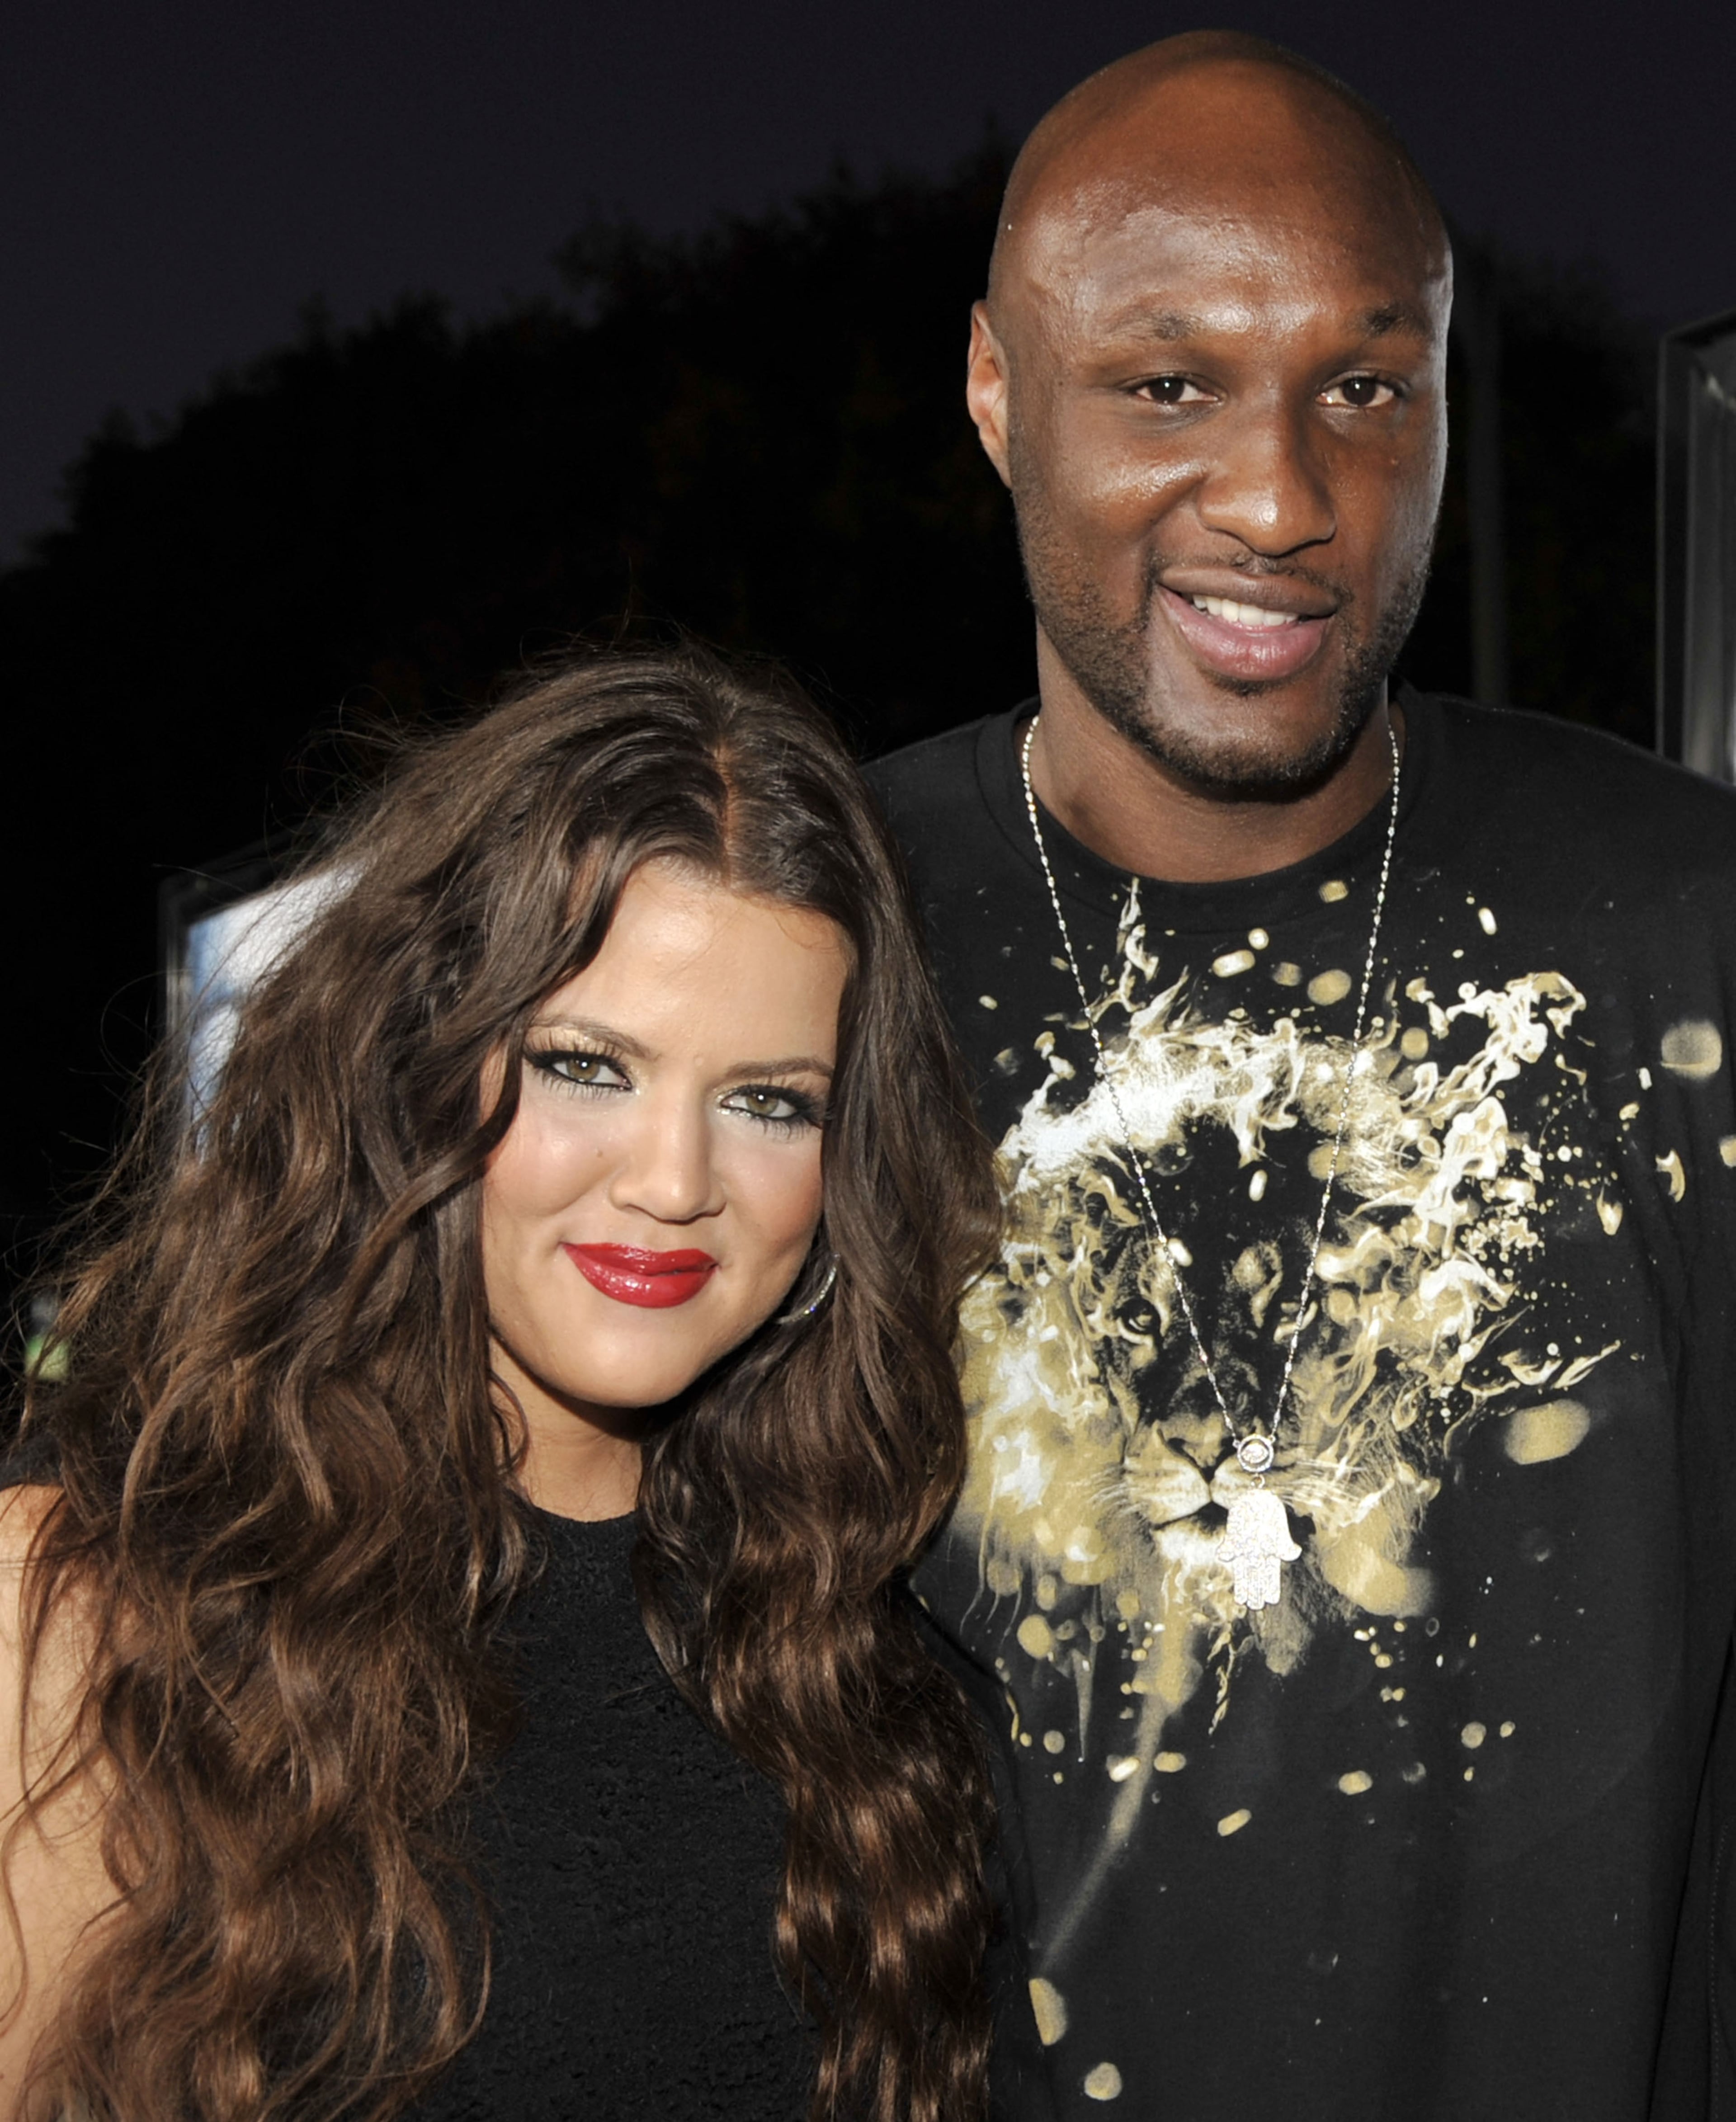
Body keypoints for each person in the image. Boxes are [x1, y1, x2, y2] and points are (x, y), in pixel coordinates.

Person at [867, 30, 1736, 2122]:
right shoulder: (807, 950)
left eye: (1366, 387)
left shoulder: (1690, 922)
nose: (1278, 497)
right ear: (999, 392)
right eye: (1167, 385)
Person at [0, 646, 1050, 2122]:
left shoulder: (872, 1668)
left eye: (768, 1102)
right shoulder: (94, 1610)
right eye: (585, 1066)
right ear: (416, 1065)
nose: (676, 1184)